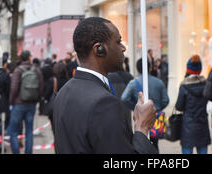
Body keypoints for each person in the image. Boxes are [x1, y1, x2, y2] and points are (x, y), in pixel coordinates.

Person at [53, 17, 157, 154]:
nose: (123, 48)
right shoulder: (104, 104)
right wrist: (142, 128)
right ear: (99, 49)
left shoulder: (64, 92)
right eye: (118, 42)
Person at [121, 57, 170, 151]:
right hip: (156, 118)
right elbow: (166, 100)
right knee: (155, 143)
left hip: (141, 118)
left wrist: (136, 108)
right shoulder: (159, 82)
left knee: (142, 141)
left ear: (137, 69)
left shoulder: (133, 83)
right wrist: (157, 108)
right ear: (149, 68)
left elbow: (124, 98)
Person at [9, 50, 44, 154]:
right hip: (31, 105)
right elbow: (41, 87)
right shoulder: (37, 70)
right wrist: (36, 100)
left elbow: (14, 88)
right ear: (29, 58)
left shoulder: (18, 70)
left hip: (18, 105)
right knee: (29, 132)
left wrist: (11, 102)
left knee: (13, 131)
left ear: (20, 58)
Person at [175, 55, 211, 154]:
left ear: (188, 69)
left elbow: (179, 106)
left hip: (188, 125)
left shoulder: (184, 86)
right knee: (203, 150)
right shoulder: (206, 84)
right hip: (203, 123)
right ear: (200, 69)